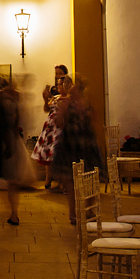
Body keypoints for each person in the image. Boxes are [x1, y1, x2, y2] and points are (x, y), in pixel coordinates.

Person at [51, 82, 105, 216]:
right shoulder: (67, 105)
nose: (72, 94)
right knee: (70, 179)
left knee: (92, 176)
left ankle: (88, 208)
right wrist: (61, 113)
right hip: (70, 143)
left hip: (86, 143)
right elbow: (59, 123)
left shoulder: (87, 104)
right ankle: (73, 212)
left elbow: (94, 120)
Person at [0, 77, 29, 226]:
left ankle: (13, 211)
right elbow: (19, 121)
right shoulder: (13, 101)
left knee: (8, 178)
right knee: (12, 180)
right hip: (12, 140)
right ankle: (13, 211)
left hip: (4, 142)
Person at [33, 66, 70, 187]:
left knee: (58, 154)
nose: (59, 87)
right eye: (58, 85)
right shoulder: (55, 97)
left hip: (61, 127)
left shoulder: (69, 99)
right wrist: (45, 99)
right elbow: (46, 109)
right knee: (49, 155)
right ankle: (48, 180)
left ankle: (61, 182)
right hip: (51, 128)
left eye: (61, 84)